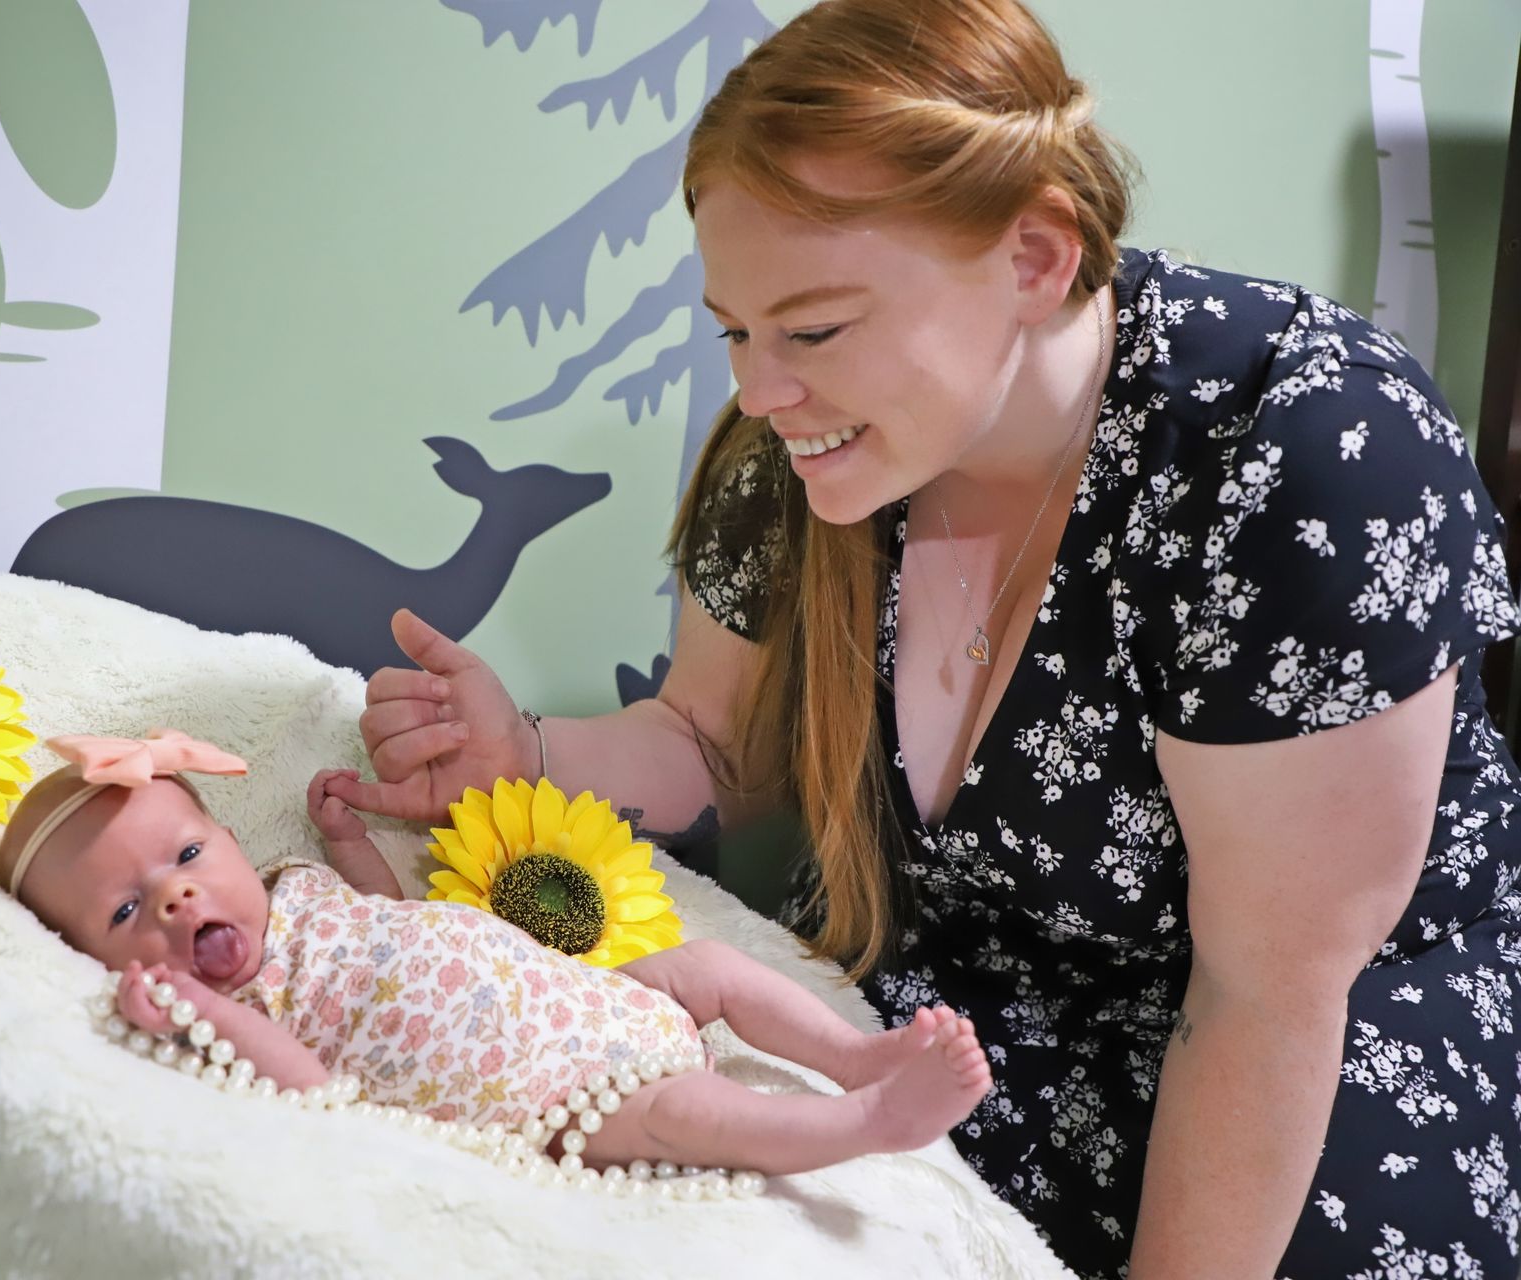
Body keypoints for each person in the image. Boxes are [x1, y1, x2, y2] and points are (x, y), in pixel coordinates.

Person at [325, 1, 1521, 1275]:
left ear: (1035, 258)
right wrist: (527, 748)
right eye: (736, 329)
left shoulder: (1296, 461)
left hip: (1300, 1047)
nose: (758, 390)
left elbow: (1268, 998)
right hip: (956, 1004)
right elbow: (710, 741)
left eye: (815, 330)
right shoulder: (808, 450)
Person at [0, 728, 994, 1178]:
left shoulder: (298, 888)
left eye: (188, 853)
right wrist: (196, 1012)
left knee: (711, 968)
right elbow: (304, 1088)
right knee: (697, 1114)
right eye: (126, 910)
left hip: (582, 991)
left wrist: (348, 845)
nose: (175, 893)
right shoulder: (244, 1015)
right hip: (549, 1091)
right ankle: (867, 1122)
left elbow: (391, 928)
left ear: (227, 841)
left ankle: (853, 1054)